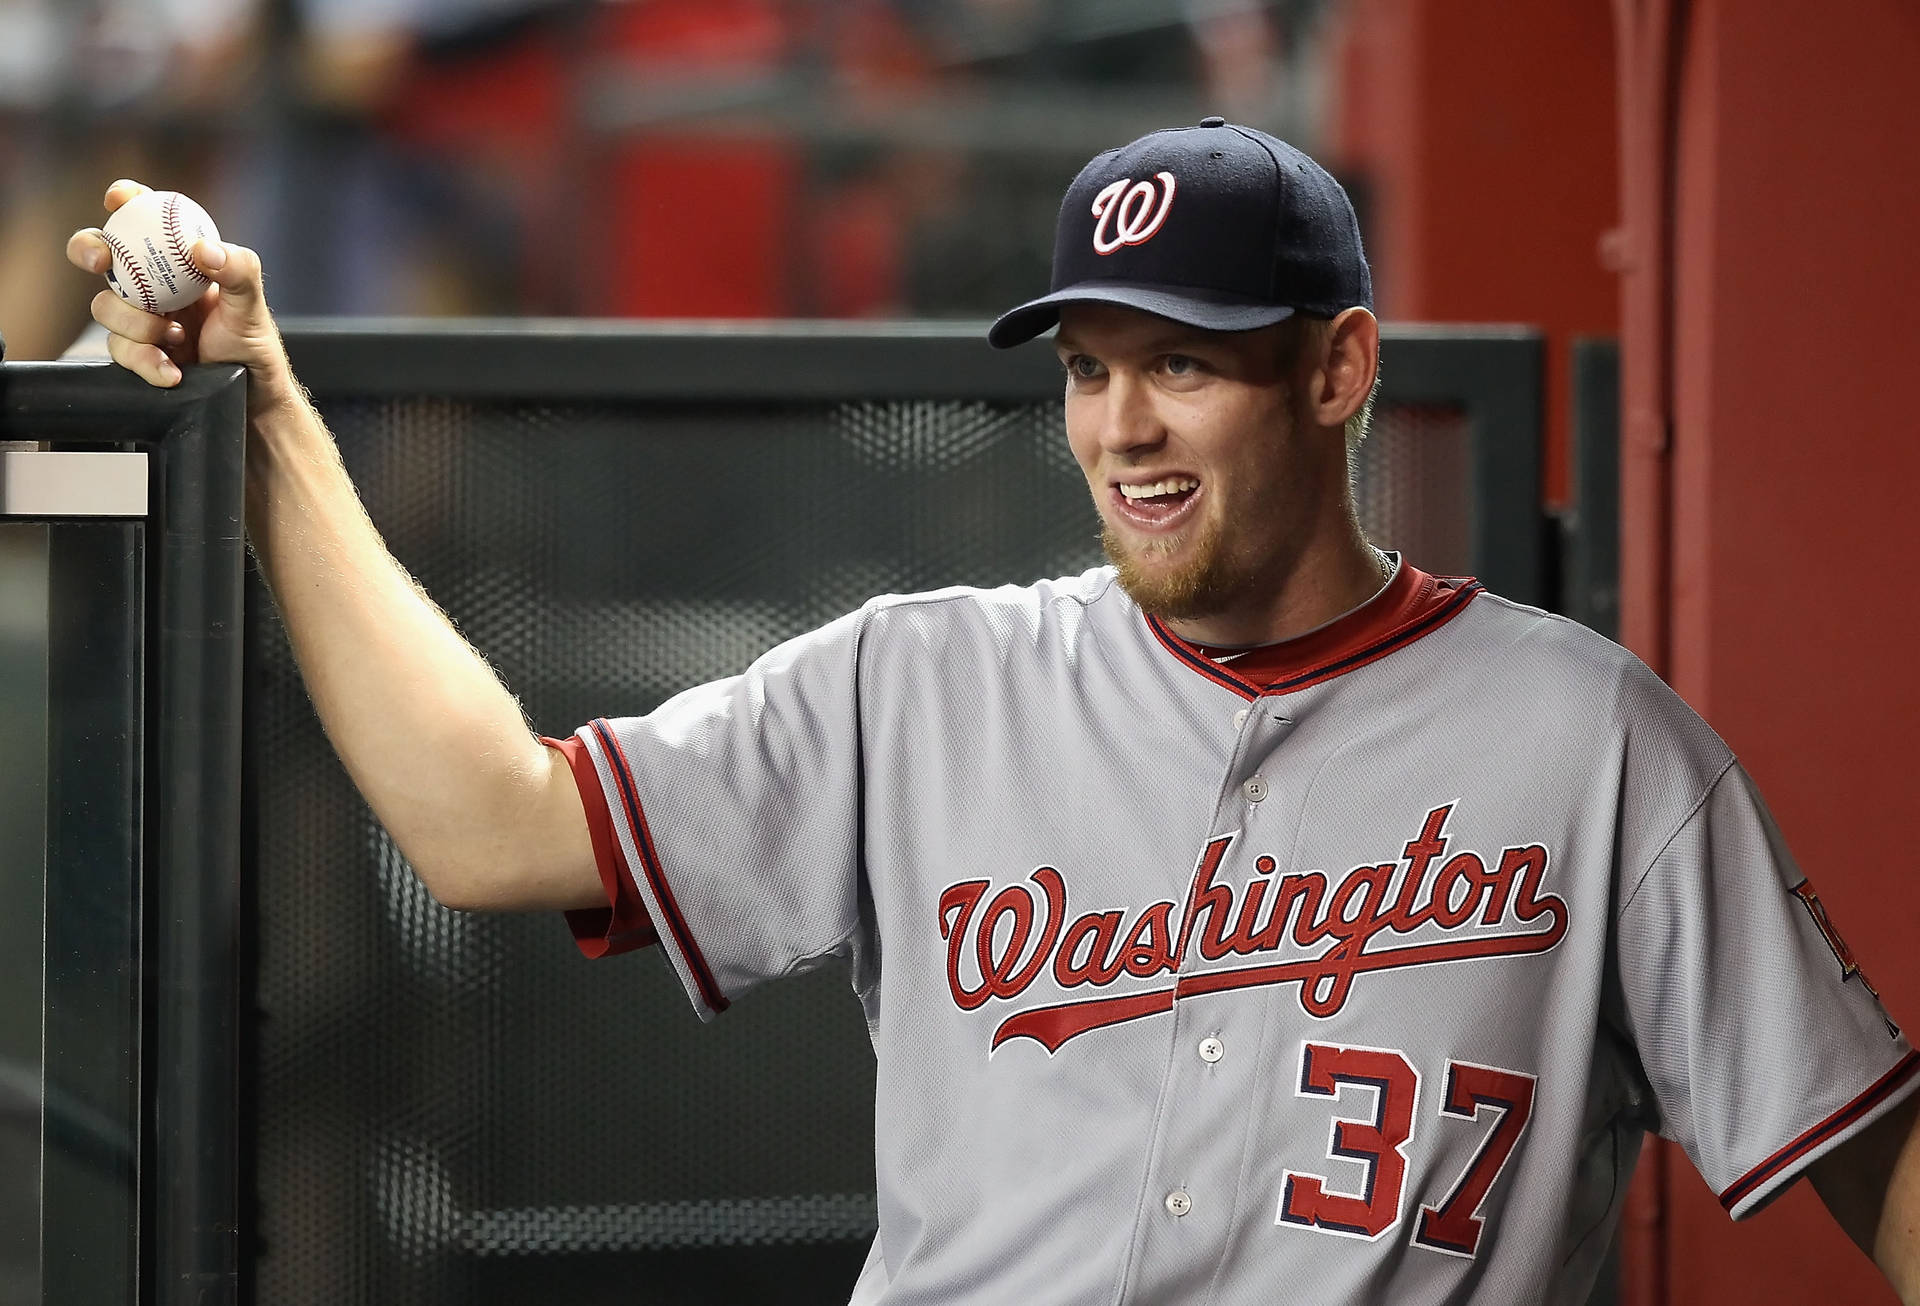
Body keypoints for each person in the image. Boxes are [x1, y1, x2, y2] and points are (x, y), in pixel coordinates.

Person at [66, 118, 1920, 1304]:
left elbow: (1872, 1156)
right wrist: (280, 424)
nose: (1121, 428)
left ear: (1341, 373)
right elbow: (487, 824)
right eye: (1095, 368)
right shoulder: (919, 679)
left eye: (1184, 365)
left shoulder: (1592, 743)